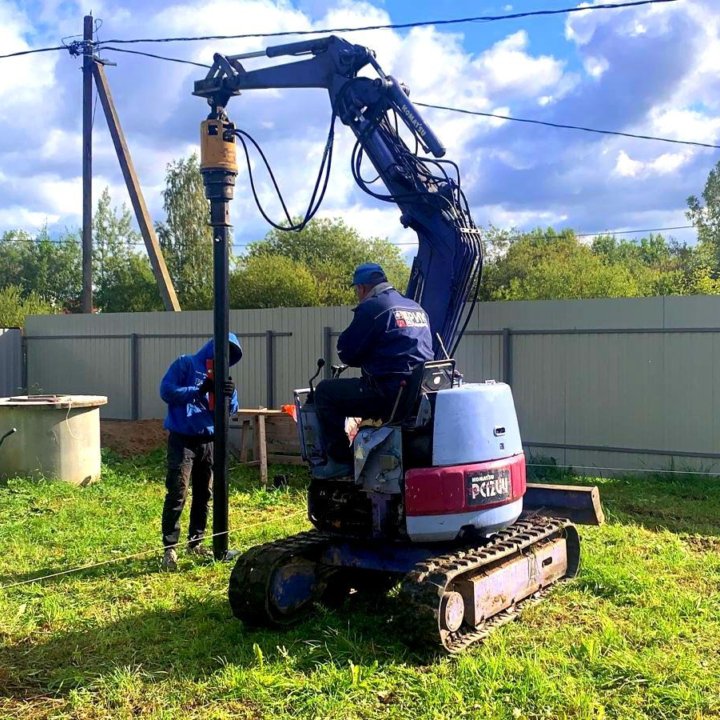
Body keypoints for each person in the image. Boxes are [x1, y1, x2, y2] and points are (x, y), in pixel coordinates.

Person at [313, 262, 433, 479]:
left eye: (357, 291)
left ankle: (340, 461)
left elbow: (347, 352)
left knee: (324, 392)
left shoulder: (373, 308)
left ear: (361, 288)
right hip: (415, 394)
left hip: (387, 393)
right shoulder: (415, 307)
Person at [159, 333, 243, 570]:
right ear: (213, 347)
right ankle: (169, 549)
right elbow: (166, 391)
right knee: (178, 490)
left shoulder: (222, 376)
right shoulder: (185, 363)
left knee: (204, 493)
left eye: (230, 355)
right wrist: (197, 390)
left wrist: (230, 394)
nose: (225, 358)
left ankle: (196, 542)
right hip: (182, 439)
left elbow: (231, 410)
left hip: (208, 440)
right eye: (223, 351)